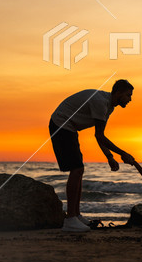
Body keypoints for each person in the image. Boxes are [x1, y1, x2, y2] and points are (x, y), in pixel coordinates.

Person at [49, 79, 135, 232]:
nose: (130, 99)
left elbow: (98, 135)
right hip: (61, 125)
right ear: (119, 92)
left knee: (79, 170)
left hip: (69, 128)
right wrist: (122, 153)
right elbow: (100, 136)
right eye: (128, 95)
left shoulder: (109, 106)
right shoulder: (100, 102)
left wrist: (109, 157)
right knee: (77, 169)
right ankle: (70, 220)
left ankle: (76, 215)